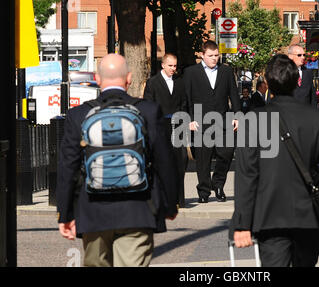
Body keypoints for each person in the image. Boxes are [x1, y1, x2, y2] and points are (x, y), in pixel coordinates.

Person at [231, 54, 319, 267]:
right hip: (309, 215)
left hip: (270, 216)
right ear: (296, 82)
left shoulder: (253, 121)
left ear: (269, 83)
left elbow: (247, 174)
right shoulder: (317, 119)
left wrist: (242, 223)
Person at [57, 54, 179, 267]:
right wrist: (170, 206)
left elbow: (68, 167)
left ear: (97, 78)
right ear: (129, 78)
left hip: (93, 212)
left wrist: (65, 214)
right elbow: (165, 162)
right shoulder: (149, 111)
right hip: (138, 210)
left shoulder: (78, 115)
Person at [184, 40, 240, 203]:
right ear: (202, 55)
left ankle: (219, 185)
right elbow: (186, 98)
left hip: (224, 120)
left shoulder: (226, 71)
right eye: (210, 56)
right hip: (201, 122)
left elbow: (234, 94)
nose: (214, 58)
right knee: (203, 159)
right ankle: (203, 191)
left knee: (227, 152)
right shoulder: (191, 72)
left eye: (216, 55)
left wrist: (237, 116)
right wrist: (189, 119)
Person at [143, 53, 188, 208]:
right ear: (163, 65)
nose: (173, 69)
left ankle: (179, 199)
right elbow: (148, 106)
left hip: (177, 126)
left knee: (180, 162)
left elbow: (184, 104)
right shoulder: (153, 83)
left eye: (175, 66)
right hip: (160, 127)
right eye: (170, 66)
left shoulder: (180, 82)